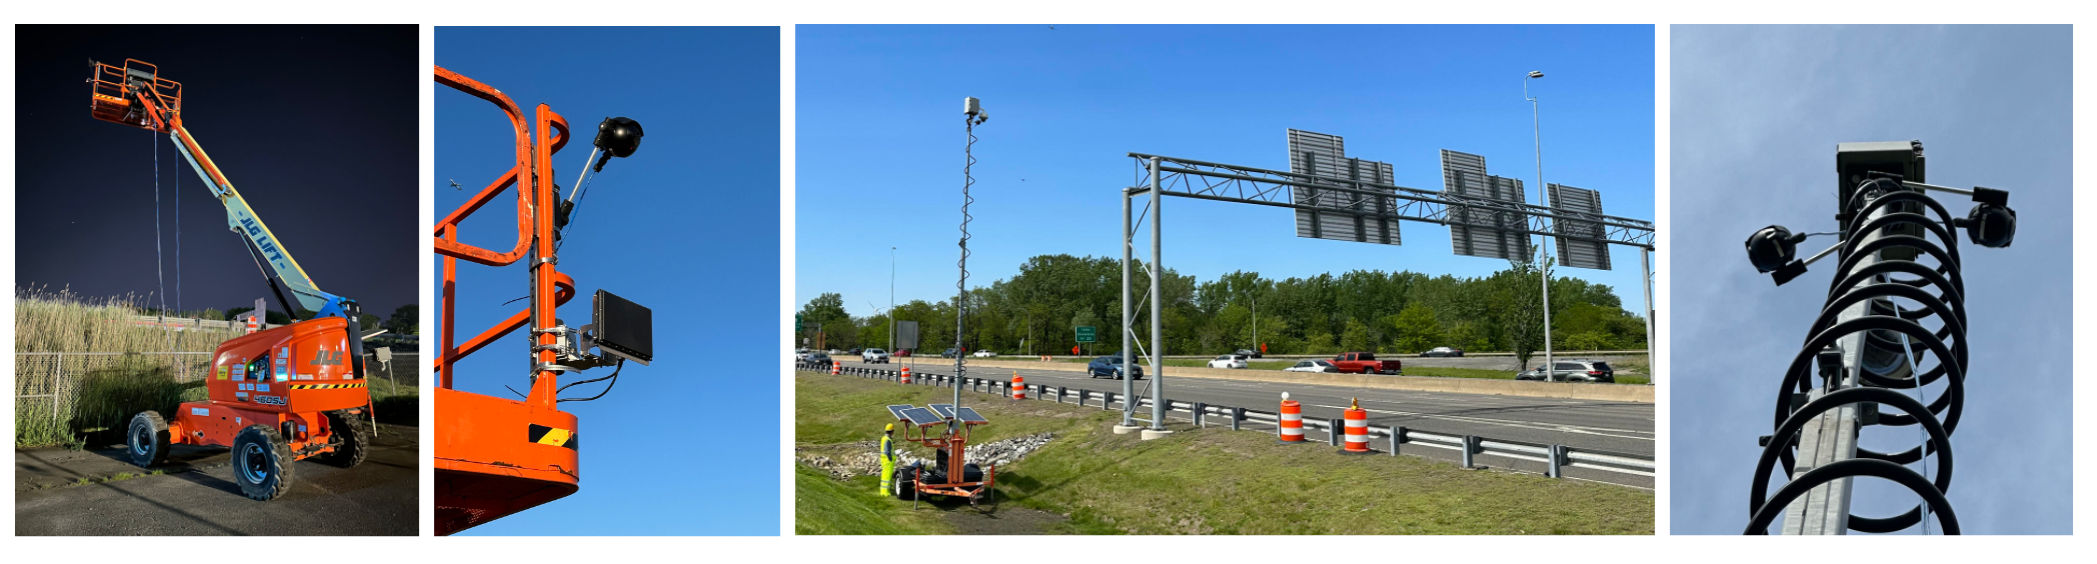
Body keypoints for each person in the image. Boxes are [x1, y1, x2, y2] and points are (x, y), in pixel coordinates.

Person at [878, 423, 897, 496]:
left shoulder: (883, 438)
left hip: (884, 460)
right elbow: (887, 451)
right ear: (892, 431)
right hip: (888, 462)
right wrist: (890, 459)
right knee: (887, 477)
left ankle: (883, 491)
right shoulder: (888, 440)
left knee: (884, 477)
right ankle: (885, 492)